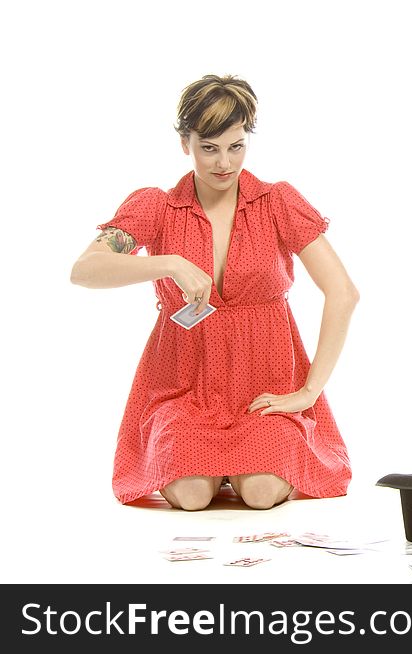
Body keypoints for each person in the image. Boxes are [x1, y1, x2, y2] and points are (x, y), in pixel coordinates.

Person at [70, 74, 359, 510]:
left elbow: (342, 292)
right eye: (209, 148)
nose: (224, 163)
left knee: (261, 493)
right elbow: (84, 270)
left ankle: (241, 467)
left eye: (236, 146)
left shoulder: (277, 202)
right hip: (183, 390)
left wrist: (308, 393)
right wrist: (169, 263)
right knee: (189, 496)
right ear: (185, 143)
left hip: (265, 387)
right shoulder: (157, 206)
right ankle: (214, 468)